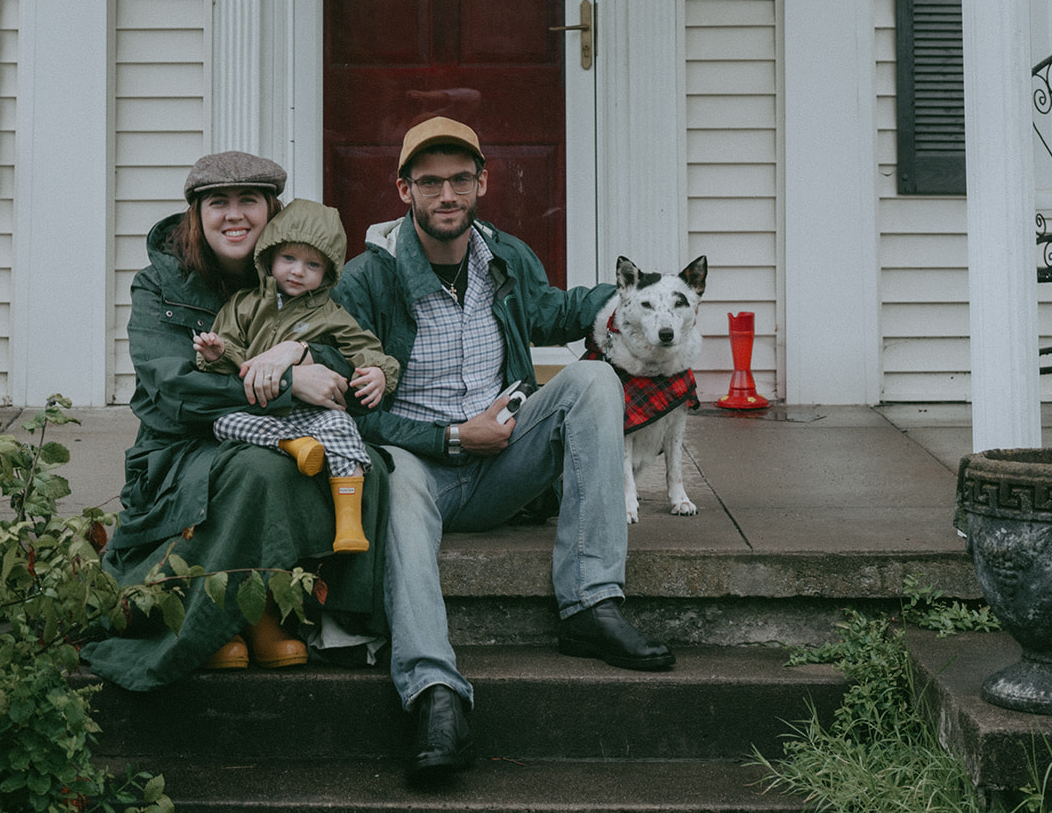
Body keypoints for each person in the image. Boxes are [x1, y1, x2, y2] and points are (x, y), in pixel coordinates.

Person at [333, 117, 675, 780]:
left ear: (483, 181)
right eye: (429, 182)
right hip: (416, 474)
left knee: (594, 380)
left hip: (502, 470)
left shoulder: (506, 258)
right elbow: (352, 419)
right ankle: (436, 693)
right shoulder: (366, 282)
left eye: (460, 179)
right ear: (403, 190)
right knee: (398, 475)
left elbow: (553, 312)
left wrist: (629, 301)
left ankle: (591, 604)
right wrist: (454, 435)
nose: (447, 195)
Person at [84, 152, 390, 686]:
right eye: (217, 202)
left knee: (365, 465)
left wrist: (301, 351)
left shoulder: (302, 272)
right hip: (183, 447)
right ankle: (228, 616)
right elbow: (177, 391)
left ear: (271, 211)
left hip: (282, 431)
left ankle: (330, 618)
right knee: (260, 472)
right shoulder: (160, 287)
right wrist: (290, 386)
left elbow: (349, 357)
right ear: (195, 214)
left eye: (248, 201)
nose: (234, 215)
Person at [193, 198, 400, 553]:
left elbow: (364, 348)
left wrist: (380, 372)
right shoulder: (245, 304)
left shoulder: (331, 314)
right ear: (270, 257)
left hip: (310, 411)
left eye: (312, 264)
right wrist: (218, 352)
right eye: (288, 258)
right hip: (259, 410)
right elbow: (233, 352)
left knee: (343, 429)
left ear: (328, 272)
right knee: (223, 424)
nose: (298, 271)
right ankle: (293, 447)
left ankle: (348, 520)